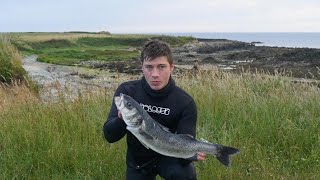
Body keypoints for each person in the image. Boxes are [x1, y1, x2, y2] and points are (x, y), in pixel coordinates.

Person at [103, 39, 205, 180]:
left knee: (184, 174)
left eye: (161, 67)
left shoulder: (185, 102)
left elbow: (186, 141)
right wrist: (121, 120)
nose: (155, 74)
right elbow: (109, 136)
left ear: (172, 67)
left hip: (170, 158)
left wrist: (190, 154)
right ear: (142, 67)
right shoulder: (127, 93)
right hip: (138, 161)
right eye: (149, 67)